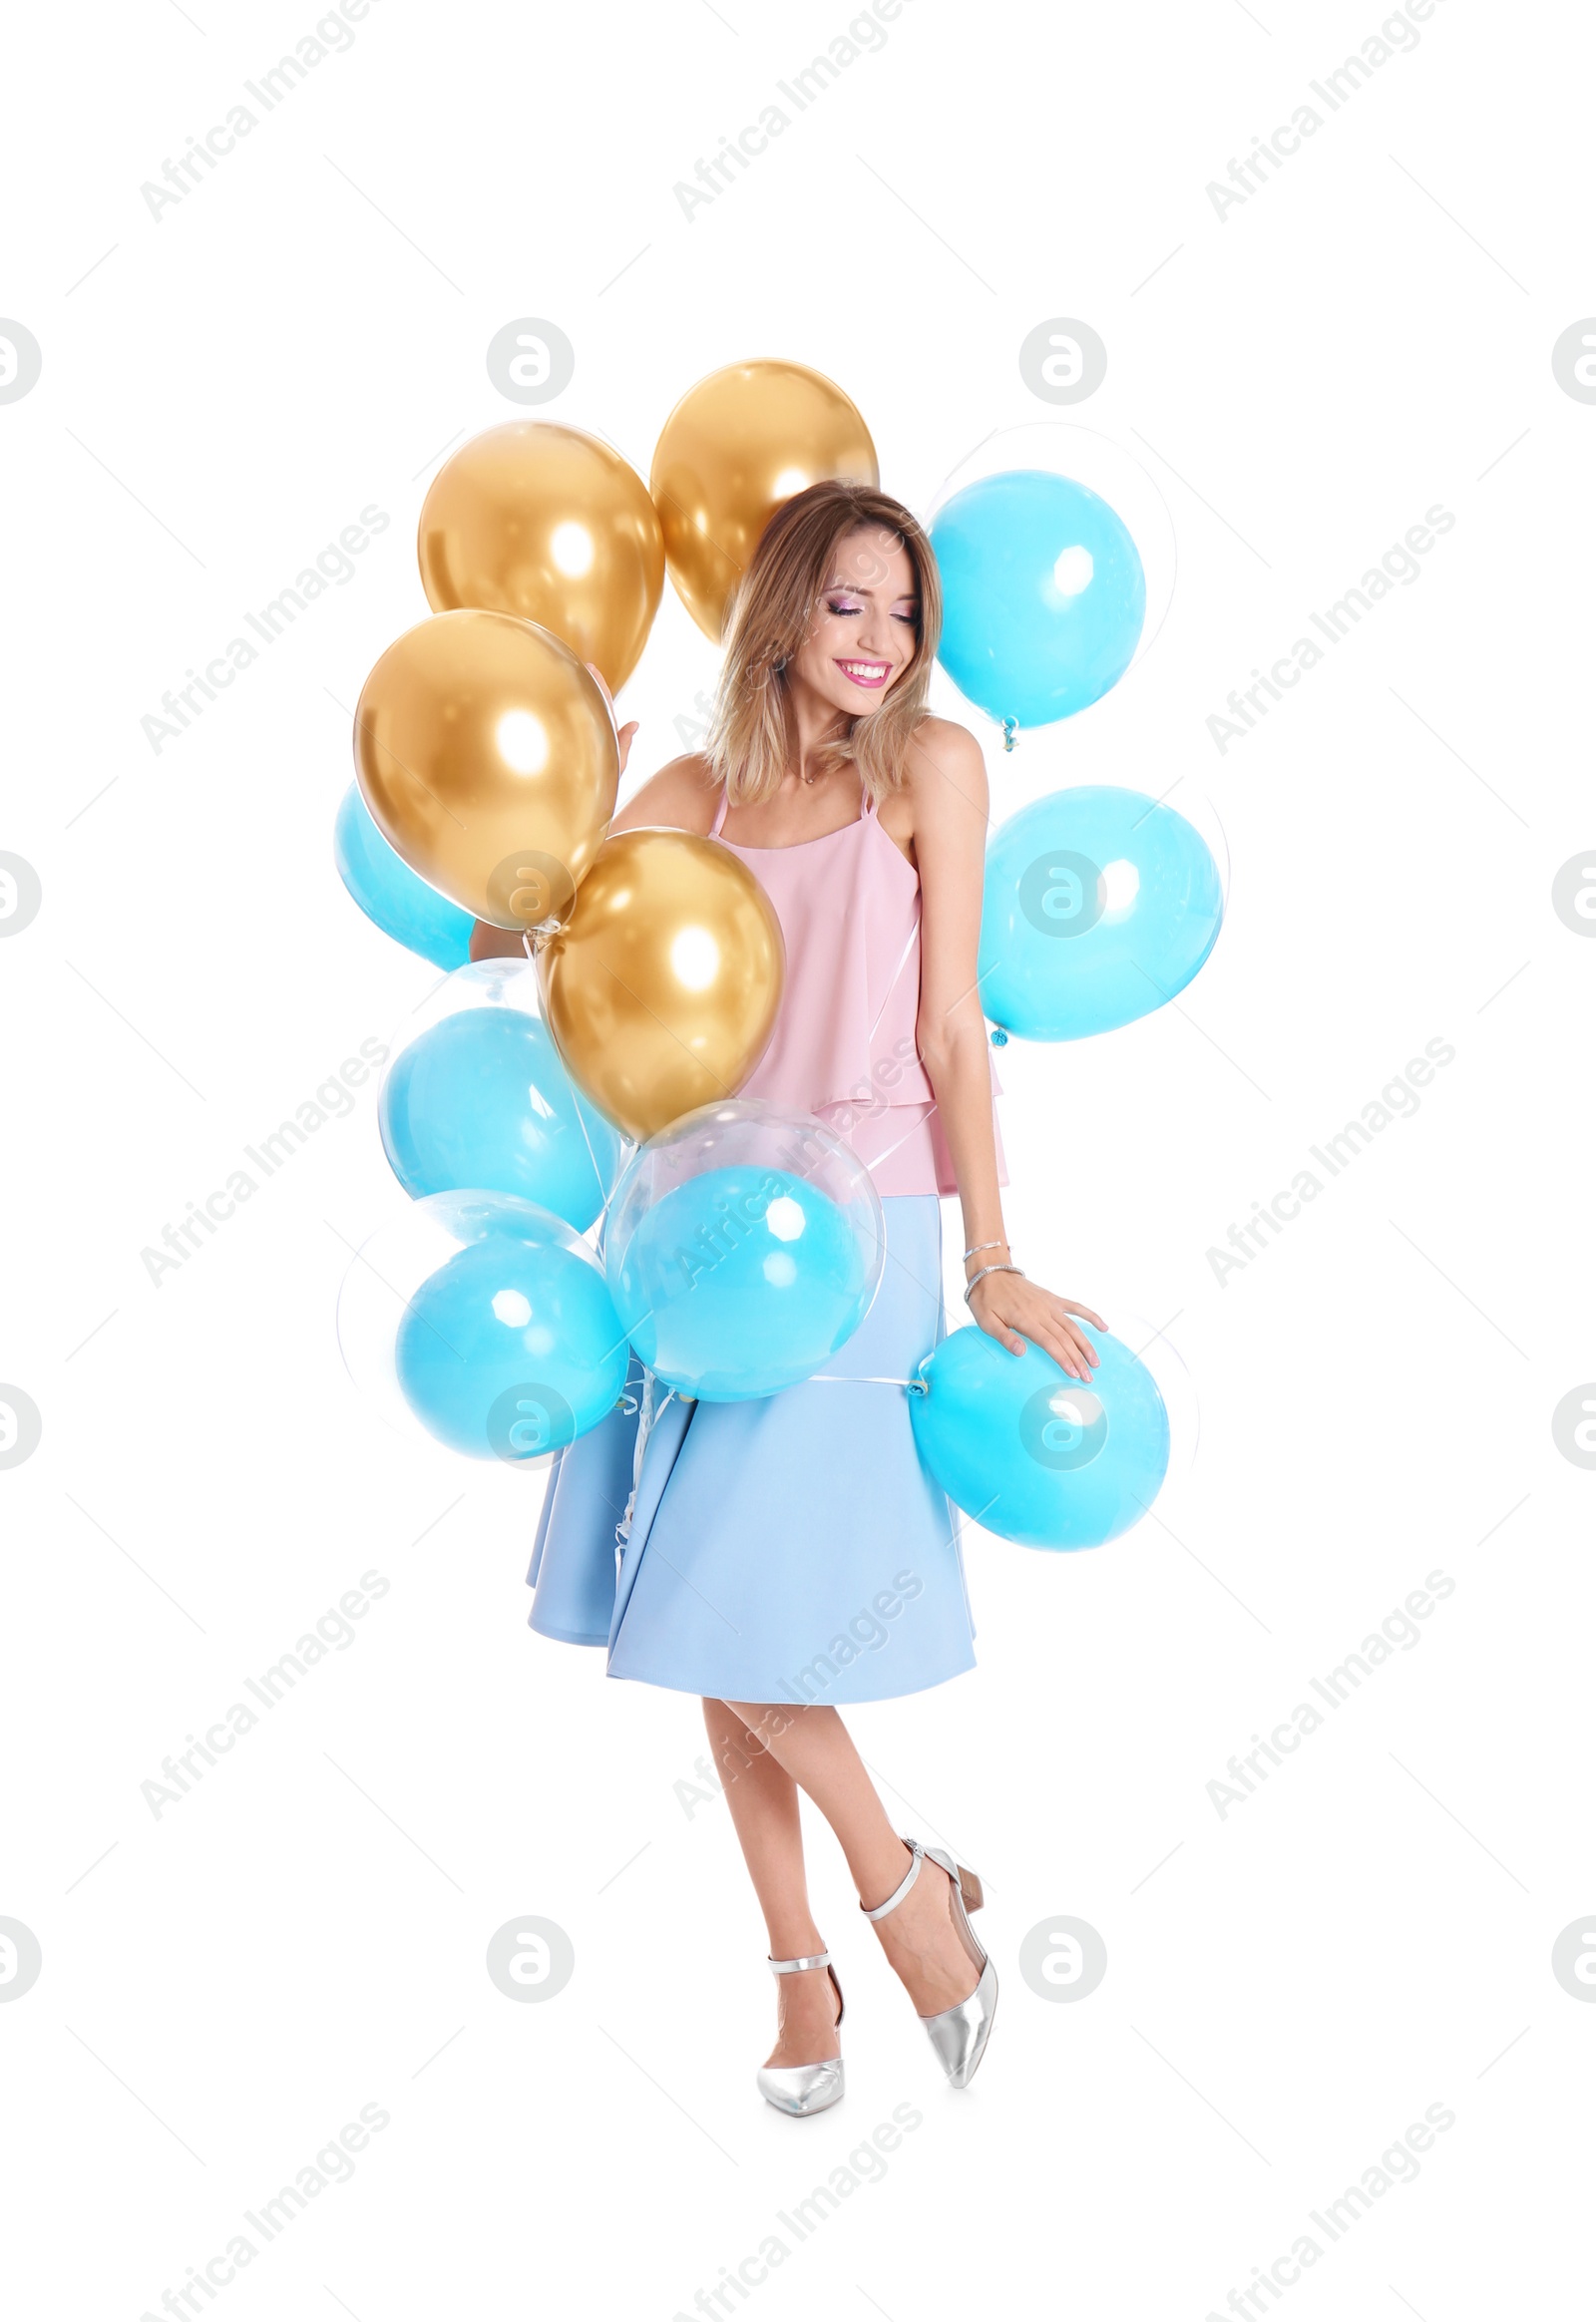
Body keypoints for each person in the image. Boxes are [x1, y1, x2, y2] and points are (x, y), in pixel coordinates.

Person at [474, 479, 1103, 2114]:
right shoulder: (693, 791)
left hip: (865, 1241)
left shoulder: (932, 773)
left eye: (904, 612)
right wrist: (566, 789)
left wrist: (990, 1257)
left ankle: (902, 1912)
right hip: (692, 1240)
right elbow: (515, 945)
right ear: (781, 616)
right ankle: (806, 1972)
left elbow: (956, 1028)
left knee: (728, 1607)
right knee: (716, 1613)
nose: (882, 642)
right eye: (847, 605)